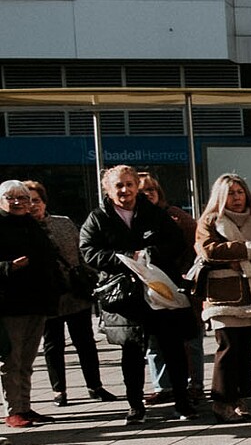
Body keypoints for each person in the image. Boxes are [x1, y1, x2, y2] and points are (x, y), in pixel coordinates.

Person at [79, 165, 199, 426]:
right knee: (131, 352)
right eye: (118, 186)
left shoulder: (154, 213)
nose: (125, 190)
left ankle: (182, 402)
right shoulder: (98, 217)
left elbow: (177, 242)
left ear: (136, 186)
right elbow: (88, 252)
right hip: (124, 295)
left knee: (173, 347)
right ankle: (135, 405)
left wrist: (150, 255)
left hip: (159, 290)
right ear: (108, 190)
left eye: (129, 184)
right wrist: (123, 258)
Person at [24, 181, 114, 405]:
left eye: (37, 200)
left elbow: (80, 253)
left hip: (75, 292)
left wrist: (92, 277)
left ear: (44, 202)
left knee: (85, 341)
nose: (33, 205)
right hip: (47, 295)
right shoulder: (21, 229)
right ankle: (59, 390)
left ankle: (95, 385)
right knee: (53, 344)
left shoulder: (63, 223)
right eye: (28, 201)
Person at [193, 174, 251, 423]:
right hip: (223, 295)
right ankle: (221, 401)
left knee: (246, 349)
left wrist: (246, 258)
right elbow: (207, 250)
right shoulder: (210, 221)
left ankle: (239, 398)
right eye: (230, 193)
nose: (236, 198)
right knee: (227, 347)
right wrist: (248, 250)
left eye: (240, 192)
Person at [0, 180, 64, 429]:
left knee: (27, 360)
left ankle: (25, 407)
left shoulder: (33, 225)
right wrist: (8, 267)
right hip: (9, 305)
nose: (17, 202)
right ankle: (14, 410)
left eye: (23, 198)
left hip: (36, 302)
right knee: (10, 361)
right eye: (10, 197)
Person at [136, 170, 204, 402]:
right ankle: (162, 386)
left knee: (190, 338)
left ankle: (194, 384)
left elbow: (197, 245)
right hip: (151, 287)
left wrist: (187, 273)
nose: (147, 195)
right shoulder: (135, 219)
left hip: (180, 285)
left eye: (151, 190)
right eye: (142, 191)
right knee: (155, 341)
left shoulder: (174, 215)